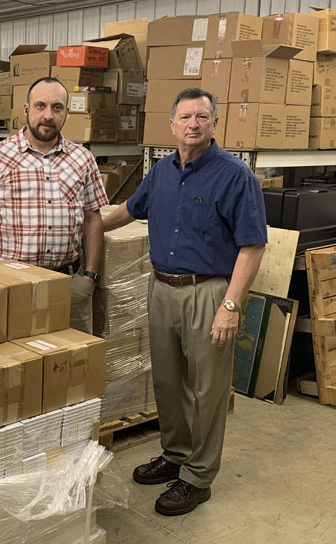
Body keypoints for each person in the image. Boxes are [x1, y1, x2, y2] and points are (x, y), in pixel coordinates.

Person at [102, 88, 267, 516]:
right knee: (169, 382)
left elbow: (252, 247)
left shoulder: (235, 176)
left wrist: (230, 306)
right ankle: (174, 454)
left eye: (202, 116)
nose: (193, 123)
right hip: (162, 290)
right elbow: (128, 210)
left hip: (209, 291)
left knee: (208, 389)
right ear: (171, 124)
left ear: (214, 124)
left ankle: (197, 475)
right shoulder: (160, 172)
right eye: (186, 116)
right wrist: (82, 227)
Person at [0, 76, 108, 334]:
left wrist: (90, 277)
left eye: (57, 108)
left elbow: (92, 218)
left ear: (66, 112)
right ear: (26, 109)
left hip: (69, 284)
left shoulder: (83, 159)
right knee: (16, 363)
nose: (48, 115)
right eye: (40, 106)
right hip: (12, 285)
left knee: (73, 365)